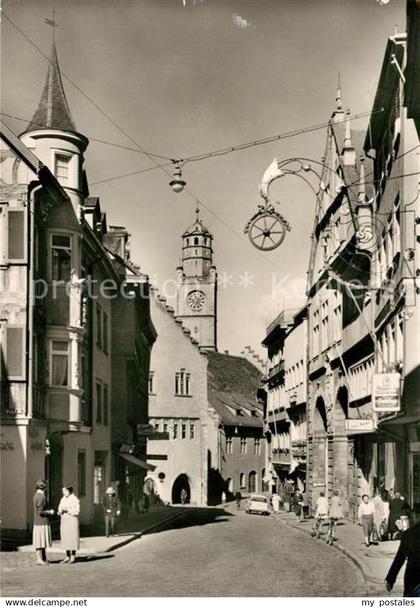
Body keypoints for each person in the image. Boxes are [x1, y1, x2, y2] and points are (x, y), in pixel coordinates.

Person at [385, 503, 420, 597]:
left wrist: (390, 578)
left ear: (416, 515)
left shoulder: (409, 535)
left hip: (414, 580)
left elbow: (399, 558)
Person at [32, 480, 54, 565]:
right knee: (40, 540)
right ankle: (39, 559)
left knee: (41, 540)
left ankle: (43, 558)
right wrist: (49, 512)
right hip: (41, 521)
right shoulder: (41, 496)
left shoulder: (36, 495)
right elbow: (40, 511)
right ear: (44, 487)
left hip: (38, 521)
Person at [58, 484, 80, 564]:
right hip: (64, 520)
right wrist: (60, 511)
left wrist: (67, 510)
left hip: (72, 519)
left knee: (72, 537)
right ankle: (67, 556)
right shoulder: (63, 499)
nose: (63, 493)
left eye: (64, 491)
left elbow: (77, 511)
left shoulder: (75, 499)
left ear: (68, 491)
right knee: (66, 537)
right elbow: (60, 506)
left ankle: (73, 556)